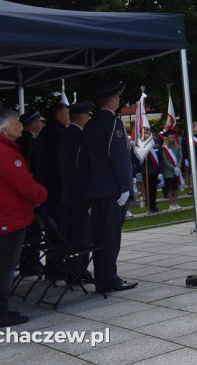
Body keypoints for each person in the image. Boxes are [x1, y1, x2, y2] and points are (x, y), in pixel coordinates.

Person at [0, 106, 48, 328]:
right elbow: (23, 183)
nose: (20, 125)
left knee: (0, 266)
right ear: (4, 128)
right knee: (5, 268)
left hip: (2, 216)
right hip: (10, 217)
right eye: (16, 121)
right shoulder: (3, 152)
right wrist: (41, 194)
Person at [83, 81, 138, 292]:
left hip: (95, 189)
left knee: (98, 235)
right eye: (117, 97)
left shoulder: (90, 124)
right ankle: (108, 278)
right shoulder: (114, 124)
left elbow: (84, 161)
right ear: (113, 100)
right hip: (113, 190)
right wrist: (125, 187)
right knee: (110, 235)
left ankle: (102, 276)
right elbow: (119, 158)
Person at [56, 101, 94, 278]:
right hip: (80, 194)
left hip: (67, 193)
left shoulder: (64, 136)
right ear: (81, 117)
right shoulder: (79, 137)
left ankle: (73, 268)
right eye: (88, 115)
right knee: (81, 236)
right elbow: (83, 167)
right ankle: (78, 270)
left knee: (72, 235)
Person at [160, 130, 183, 210]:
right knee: (170, 189)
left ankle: (176, 203)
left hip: (177, 171)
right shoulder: (164, 148)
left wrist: (178, 167)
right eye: (170, 137)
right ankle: (171, 204)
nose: (172, 139)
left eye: (173, 137)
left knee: (176, 188)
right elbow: (165, 161)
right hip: (168, 172)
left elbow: (180, 157)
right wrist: (174, 168)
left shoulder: (177, 146)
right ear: (166, 138)